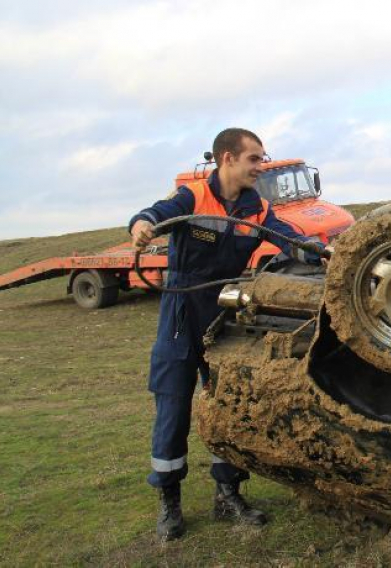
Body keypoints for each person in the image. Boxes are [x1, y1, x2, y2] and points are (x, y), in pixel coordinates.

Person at [129, 128, 324, 541]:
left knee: (230, 401)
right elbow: (154, 213)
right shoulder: (193, 198)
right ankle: (169, 502)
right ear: (227, 159)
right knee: (173, 404)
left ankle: (227, 493)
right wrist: (143, 225)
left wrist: (322, 252)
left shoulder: (257, 209)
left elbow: (288, 241)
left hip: (226, 312)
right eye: (254, 158)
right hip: (182, 313)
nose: (260, 166)